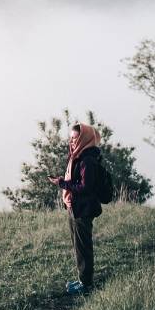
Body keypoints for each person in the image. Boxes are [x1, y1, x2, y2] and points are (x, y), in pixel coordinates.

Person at [48, 122, 102, 295]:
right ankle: (82, 280)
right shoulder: (78, 156)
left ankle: (86, 284)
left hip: (83, 209)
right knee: (78, 246)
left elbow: (85, 187)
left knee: (83, 246)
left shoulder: (88, 160)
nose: (72, 142)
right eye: (70, 139)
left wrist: (62, 183)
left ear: (84, 138)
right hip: (75, 206)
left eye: (75, 139)